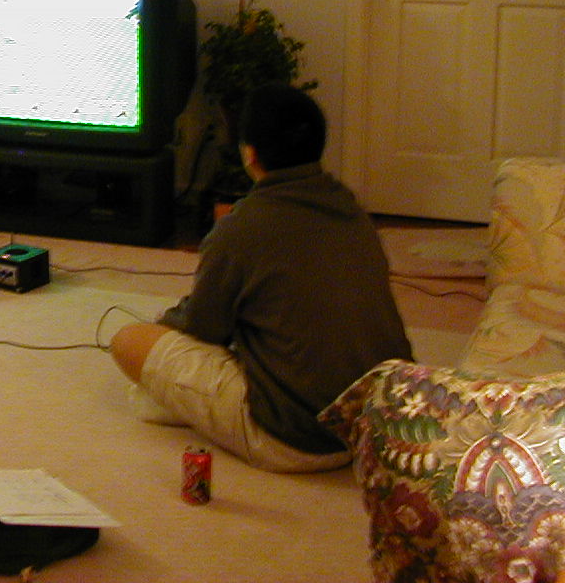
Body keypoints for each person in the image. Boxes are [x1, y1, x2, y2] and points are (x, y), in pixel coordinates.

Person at [109, 82, 413, 473]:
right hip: (375, 422)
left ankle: (189, 405)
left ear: (250, 153)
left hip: (297, 438)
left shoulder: (241, 228)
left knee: (128, 340)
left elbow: (204, 328)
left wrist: (163, 325)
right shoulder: (351, 210)